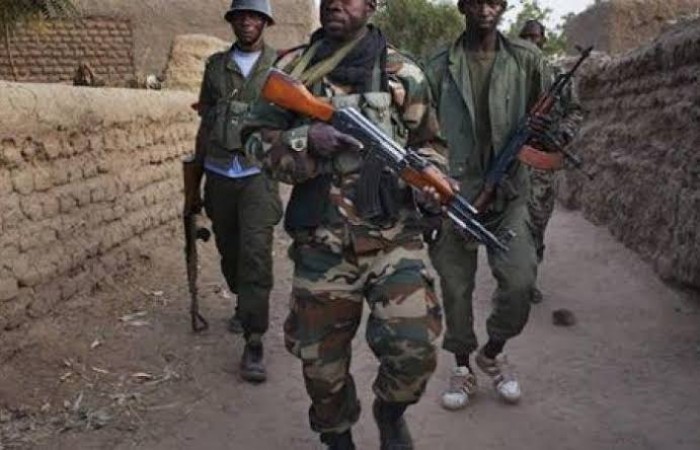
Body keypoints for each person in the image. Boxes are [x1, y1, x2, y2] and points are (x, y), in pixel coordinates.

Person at [242, 0, 444, 447]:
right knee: (321, 370)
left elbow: (431, 144)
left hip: (393, 238)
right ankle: (337, 437)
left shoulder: (403, 72)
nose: (335, 1)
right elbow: (253, 142)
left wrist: (431, 184)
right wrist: (305, 139)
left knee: (416, 349)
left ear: (372, 5)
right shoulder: (294, 69)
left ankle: (390, 412)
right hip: (322, 243)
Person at [425, 0, 557, 410]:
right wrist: (429, 185)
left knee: (520, 281)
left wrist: (547, 134)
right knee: (455, 287)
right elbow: (419, 129)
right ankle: (463, 366)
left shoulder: (528, 60)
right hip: (453, 193)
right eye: (477, 1)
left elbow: (566, 111)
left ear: (503, 7)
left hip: (510, 191)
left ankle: (493, 351)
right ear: (462, 6)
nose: (485, 9)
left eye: (494, 2)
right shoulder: (437, 67)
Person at [190, 0, 283, 383]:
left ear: (265, 22)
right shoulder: (215, 66)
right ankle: (244, 301)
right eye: (241, 15)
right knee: (230, 251)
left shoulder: (281, 66)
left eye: (254, 15)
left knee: (255, 254)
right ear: (232, 21)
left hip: (258, 175)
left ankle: (254, 340)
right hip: (218, 172)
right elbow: (206, 121)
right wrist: (194, 180)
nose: (247, 21)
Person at [519, 19, 584, 303]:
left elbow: (576, 112)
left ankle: (529, 275)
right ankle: (516, 279)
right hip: (513, 161)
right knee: (512, 223)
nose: (531, 43)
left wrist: (561, 133)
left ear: (543, 42)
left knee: (537, 223)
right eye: (526, 38)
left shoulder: (559, 78)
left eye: (536, 38)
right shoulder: (508, 78)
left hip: (543, 160)